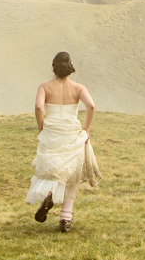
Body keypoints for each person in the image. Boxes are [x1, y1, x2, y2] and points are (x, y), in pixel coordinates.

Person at [25, 51, 101, 232]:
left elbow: (38, 106)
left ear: (54, 66)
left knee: (51, 170)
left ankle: (49, 195)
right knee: (70, 175)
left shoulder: (44, 87)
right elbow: (91, 106)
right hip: (71, 133)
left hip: (51, 132)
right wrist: (86, 129)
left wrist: (41, 127)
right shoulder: (78, 88)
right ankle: (66, 219)